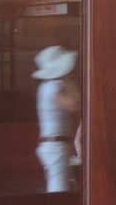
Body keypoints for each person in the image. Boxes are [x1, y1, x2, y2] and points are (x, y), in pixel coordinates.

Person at [32, 45, 81, 192]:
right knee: (59, 191)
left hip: (56, 145)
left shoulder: (45, 86)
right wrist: (70, 82)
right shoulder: (54, 86)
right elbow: (74, 105)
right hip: (56, 148)